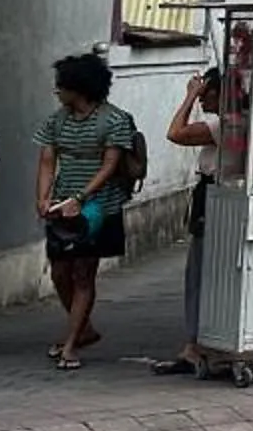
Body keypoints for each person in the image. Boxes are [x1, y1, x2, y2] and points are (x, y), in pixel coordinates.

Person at [33, 51, 137, 370]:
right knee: (60, 271)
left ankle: (70, 343)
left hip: (98, 205)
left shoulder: (115, 120)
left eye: (61, 86)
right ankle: (85, 329)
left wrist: (82, 195)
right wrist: (43, 196)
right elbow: (48, 159)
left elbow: (110, 165)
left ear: (78, 88)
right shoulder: (56, 120)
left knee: (83, 272)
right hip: (62, 202)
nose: (57, 91)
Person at [150, 70, 222, 378]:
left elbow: (175, 133)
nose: (203, 98)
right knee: (202, 271)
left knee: (200, 272)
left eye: (207, 92)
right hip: (212, 195)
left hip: (214, 196)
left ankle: (197, 344)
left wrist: (190, 96)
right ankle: (196, 344)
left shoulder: (220, 124)